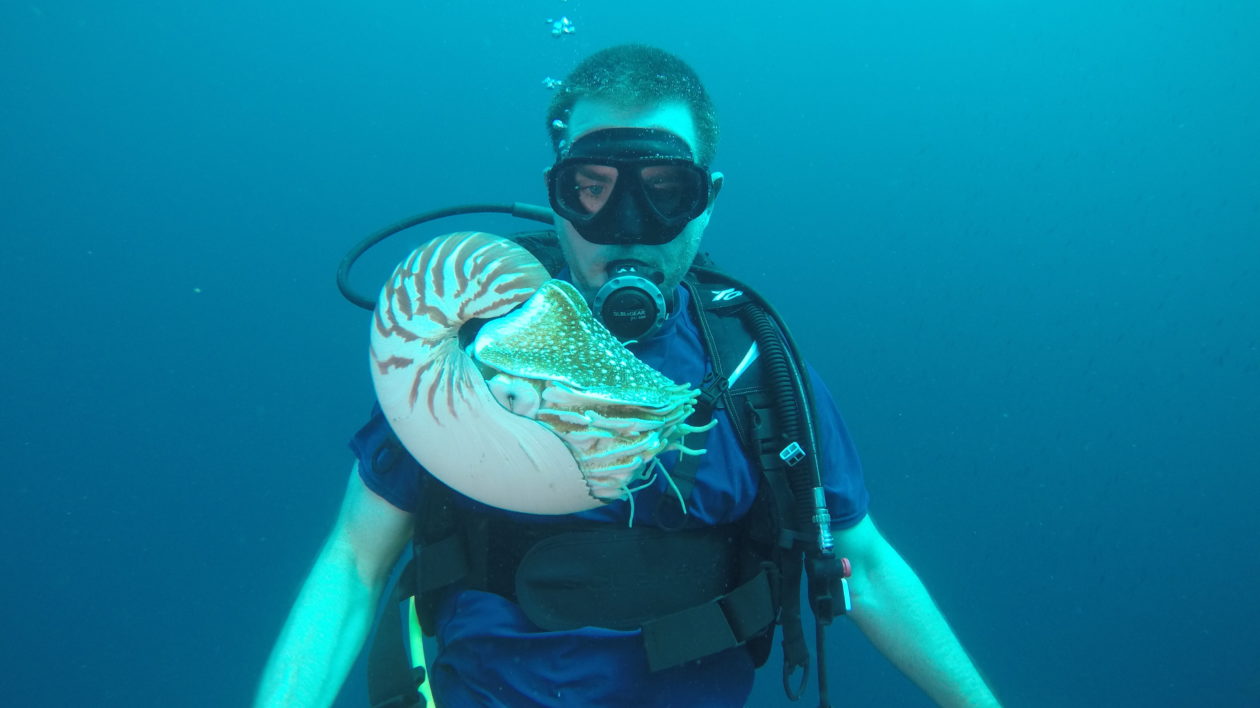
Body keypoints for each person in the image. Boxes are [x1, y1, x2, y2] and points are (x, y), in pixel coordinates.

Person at [255, 44, 1000, 707]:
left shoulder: (753, 367)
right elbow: (354, 561)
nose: (628, 223)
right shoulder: (468, 350)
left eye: (665, 190)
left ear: (707, 203)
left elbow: (862, 563)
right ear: (556, 191)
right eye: (591, 186)